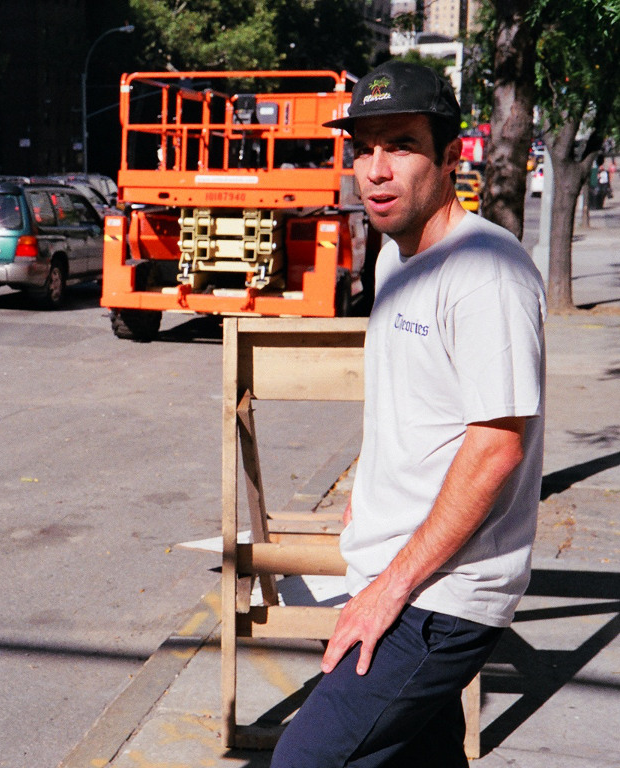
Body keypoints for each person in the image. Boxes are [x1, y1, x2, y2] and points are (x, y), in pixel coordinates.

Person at [270, 61, 546, 767]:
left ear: (451, 156)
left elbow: (496, 447)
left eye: (400, 146)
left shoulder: (485, 270)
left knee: (307, 758)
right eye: (363, 148)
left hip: (441, 593)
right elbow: (415, 403)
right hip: (396, 567)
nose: (376, 169)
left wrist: (387, 590)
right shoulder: (395, 259)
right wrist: (369, 491)